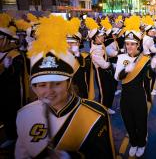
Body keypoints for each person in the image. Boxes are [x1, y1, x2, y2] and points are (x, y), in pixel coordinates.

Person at [15, 15, 115, 158]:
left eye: (56, 83)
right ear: (34, 87)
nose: (49, 91)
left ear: (68, 82)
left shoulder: (96, 115)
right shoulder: (25, 115)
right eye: (42, 85)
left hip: (82, 96)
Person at [115, 16, 156, 157]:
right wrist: (125, 70)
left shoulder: (144, 60)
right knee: (128, 121)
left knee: (141, 121)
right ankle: (133, 142)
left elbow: (149, 79)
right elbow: (117, 77)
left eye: (133, 44)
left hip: (140, 95)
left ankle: (142, 143)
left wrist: (153, 67)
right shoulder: (121, 58)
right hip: (125, 96)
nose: (129, 47)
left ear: (138, 45)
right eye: (127, 44)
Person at [0, 14, 25, 149]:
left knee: (12, 113)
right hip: (2, 91)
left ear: (5, 40)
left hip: (12, 91)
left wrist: (7, 67)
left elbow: (15, 74)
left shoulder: (14, 55)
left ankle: (14, 137)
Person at [85, 17, 116, 114]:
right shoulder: (95, 50)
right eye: (101, 36)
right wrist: (112, 65)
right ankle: (102, 109)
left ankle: (108, 107)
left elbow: (108, 53)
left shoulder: (100, 45)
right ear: (95, 38)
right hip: (101, 73)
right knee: (104, 91)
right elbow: (103, 65)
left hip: (106, 71)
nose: (103, 37)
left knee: (110, 89)